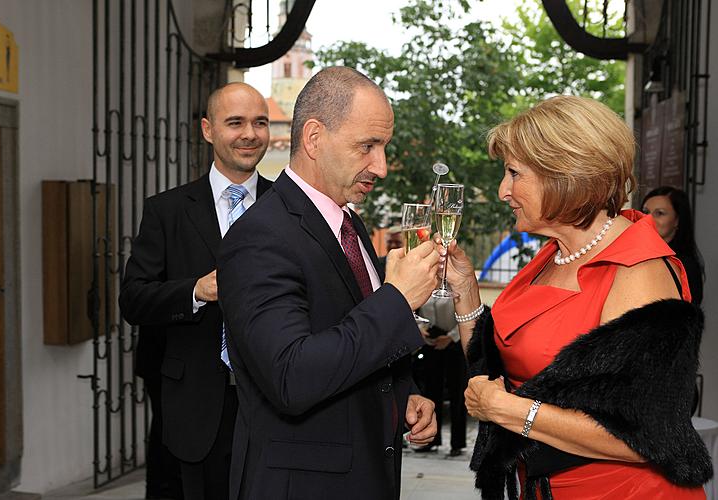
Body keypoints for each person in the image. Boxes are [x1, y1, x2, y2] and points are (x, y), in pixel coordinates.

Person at [442, 95, 710, 499]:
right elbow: (499, 372)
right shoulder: (554, 253)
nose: (503, 190)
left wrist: (507, 410)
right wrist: (464, 293)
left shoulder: (639, 270)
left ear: (566, 175)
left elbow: (642, 434)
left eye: (514, 173)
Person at [217, 67, 439, 500]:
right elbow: (291, 377)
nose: (382, 166)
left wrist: (405, 394)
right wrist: (397, 299)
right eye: (368, 147)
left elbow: (352, 336)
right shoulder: (260, 236)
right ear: (314, 138)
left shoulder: (347, 222)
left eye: (384, 147)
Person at [119, 82, 272, 500]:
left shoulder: (290, 207)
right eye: (235, 122)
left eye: (260, 123)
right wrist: (196, 291)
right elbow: (134, 298)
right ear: (208, 130)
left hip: (278, 401)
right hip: (194, 405)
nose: (249, 134)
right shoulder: (166, 211)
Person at [412, 296, 467, 457]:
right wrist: (420, 328)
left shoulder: (457, 286)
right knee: (431, 393)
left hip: (454, 345)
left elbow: (468, 316)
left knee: (457, 395)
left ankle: (458, 443)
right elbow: (416, 311)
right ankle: (431, 440)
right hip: (430, 344)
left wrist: (451, 337)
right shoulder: (427, 285)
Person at [642, 186, 704, 304]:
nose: (648, 219)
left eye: (659, 213)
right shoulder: (637, 257)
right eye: (645, 212)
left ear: (677, 220)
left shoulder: (685, 266)